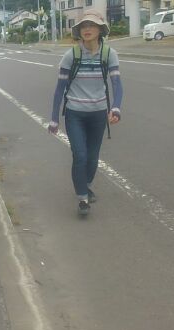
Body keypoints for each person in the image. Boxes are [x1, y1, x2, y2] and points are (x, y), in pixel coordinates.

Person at [50, 9, 123, 216]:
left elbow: (117, 85)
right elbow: (59, 90)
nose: (87, 29)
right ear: (79, 31)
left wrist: (116, 108)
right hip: (75, 114)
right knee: (80, 155)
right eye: (83, 26)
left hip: (99, 114)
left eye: (91, 25)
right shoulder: (71, 55)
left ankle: (86, 184)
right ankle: (82, 198)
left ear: (100, 29)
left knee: (92, 158)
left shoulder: (109, 54)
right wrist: (54, 119)